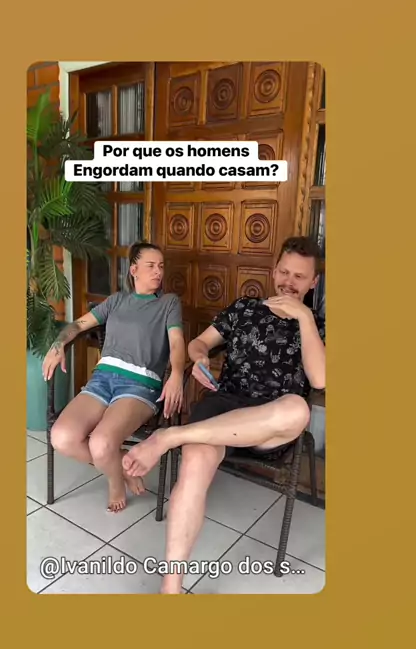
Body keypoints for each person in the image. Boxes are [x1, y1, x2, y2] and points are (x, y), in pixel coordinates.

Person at [122, 236, 326, 592]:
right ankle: (171, 589)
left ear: (314, 282)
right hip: (223, 406)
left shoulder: (318, 325)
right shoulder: (245, 308)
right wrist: (200, 357)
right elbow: (199, 342)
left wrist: (305, 317)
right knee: (195, 463)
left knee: (297, 410)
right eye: (284, 272)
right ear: (274, 270)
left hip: (268, 423)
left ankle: (170, 436)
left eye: (299, 276)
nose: (288, 282)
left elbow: (320, 379)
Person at [43, 241, 185, 512]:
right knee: (61, 437)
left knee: (101, 443)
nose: (158, 272)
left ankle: (115, 482)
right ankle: (122, 464)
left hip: (140, 384)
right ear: (134, 270)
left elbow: (177, 343)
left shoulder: (168, 303)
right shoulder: (117, 300)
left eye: (161, 266)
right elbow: (78, 325)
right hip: (102, 379)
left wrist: (177, 373)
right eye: (151, 266)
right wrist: (58, 344)